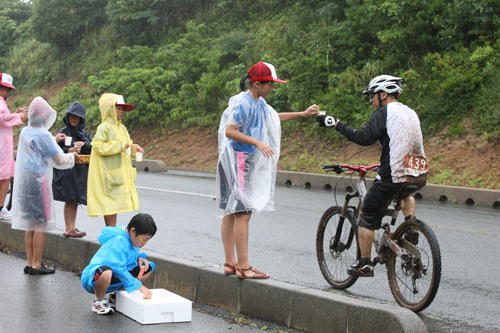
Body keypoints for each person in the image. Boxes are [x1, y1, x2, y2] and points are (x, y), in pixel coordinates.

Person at [315, 75, 428, 277]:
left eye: (372, 96)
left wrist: (336, 124)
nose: (370, 100)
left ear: (383, 95)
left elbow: (363, 137)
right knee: (404, 191)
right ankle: (411, 227)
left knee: (366, 214)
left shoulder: (384, 112)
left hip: (394, 173)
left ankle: (365, 263)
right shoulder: (410, 112)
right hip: (419, 173)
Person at [216, 61, 319, 279]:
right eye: (269, 84)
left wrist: (303, 114)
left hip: (234, 159)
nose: (272, 88)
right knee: (243, 212)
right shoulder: (244, 103)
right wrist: (257, 142)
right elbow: (230, 131)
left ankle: (230, 262)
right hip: (238, 159)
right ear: (255, 84)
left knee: (231, 210)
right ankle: (244, 267)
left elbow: (273, 118)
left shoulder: (258, 102)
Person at [11, 97, 80, 275]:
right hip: (38, 182)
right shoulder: (44, 135)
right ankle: (37, 264)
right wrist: (72, 157)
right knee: (40, 224)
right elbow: (59, 159)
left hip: (25, 181)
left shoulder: (26, 132)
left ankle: (29, 262)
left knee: (30, 225)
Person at [81, 213, 157, 315]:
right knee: (106, 272)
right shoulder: (119, 240)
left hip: (115, 278)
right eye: (144, 239)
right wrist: (139, 286)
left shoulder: (132, 238)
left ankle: (117, 297)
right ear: (133, 231)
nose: (144, 243)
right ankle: (99, 301)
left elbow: (130, 255)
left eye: (147, 240)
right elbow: (117, 267)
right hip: (95, 278)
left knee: (147, 267)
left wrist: (140, 258)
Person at [87, 94, 144, 227]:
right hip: (107, 174)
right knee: (109, 205)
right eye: (118, 108)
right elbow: (97, 146)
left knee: (115, 205)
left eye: (122, 109)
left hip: (117, 174)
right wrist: (119, 147)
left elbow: (127, 144)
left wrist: (134, 148)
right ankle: (110, 233)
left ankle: (112, 232)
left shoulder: (122, 128)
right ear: (109, 109)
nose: (121, 112)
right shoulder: (104, 127)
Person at [53, 101, 92, 237]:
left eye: (77, 116)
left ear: (81, 119)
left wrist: (84, 143)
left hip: (80, 171)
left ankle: (72, 227)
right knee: (69, 198)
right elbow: (54, 149)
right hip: (67, 171)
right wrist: (68, 150)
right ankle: (68, 228)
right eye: (71, 116)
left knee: (75, 199)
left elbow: (92, 147)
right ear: (67, 117)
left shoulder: (84, 134)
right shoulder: (63, 132)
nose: (74, 119)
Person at [0, 73, 28, 219]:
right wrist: (18, 117)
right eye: (3, 88)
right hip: (2, 146)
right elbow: (3, 118)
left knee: (5, 175)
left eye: (7, 89)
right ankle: (0, 208)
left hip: (4, 143)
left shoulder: (2, 101)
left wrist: (15, 114)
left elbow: (5, 117)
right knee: (5, 175)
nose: (5, 92)